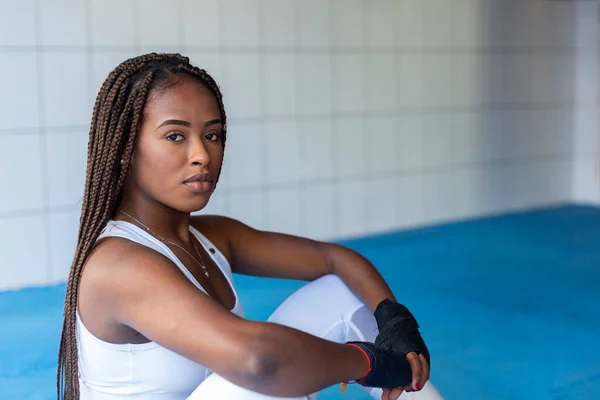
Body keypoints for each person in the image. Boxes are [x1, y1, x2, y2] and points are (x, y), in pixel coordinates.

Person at [57, 53, 443, 400]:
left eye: (212, 135)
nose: (201, 155)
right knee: (256, 367)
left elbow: (333, 258)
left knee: (344, 294)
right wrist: (368, 362)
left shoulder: (211, 237)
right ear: (126, 146)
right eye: (175, 136)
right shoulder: (118, 266)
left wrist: (396, 325)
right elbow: (257, 361)